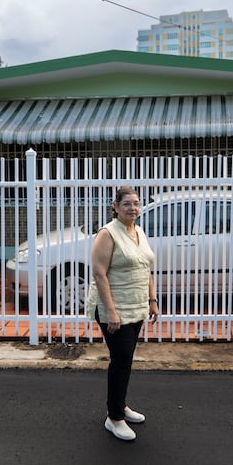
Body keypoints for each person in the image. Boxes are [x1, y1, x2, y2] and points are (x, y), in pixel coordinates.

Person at [86, 186, 159, 441]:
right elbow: (99, 274)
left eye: (136, 203)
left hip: (136, 305)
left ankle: (121, 405)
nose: (133, 208)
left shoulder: (138, 230)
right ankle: (114, 417)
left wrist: (152, 300)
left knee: (125, 359)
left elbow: (145, 266)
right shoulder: (107, 234)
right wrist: (111, 311)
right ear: (115, 206)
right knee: (121, 359)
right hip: (113, 308)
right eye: (127, 203)